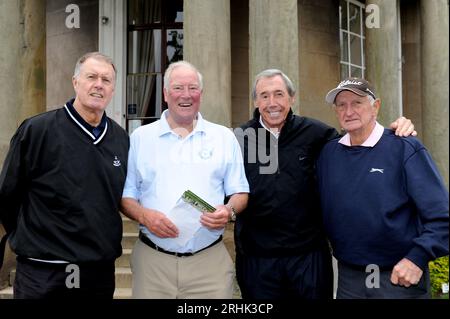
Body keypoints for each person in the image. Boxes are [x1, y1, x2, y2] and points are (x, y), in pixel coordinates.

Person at [234, 69, 416, 299]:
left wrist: (396, 129)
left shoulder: (317, 134)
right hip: (257, 260)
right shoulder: (238, 138)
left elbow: (359, 143)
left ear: (292, 98)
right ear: (255, 101)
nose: (272, 103)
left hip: (308, 258)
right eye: (264, 95)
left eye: (279, 94)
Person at [0, 52, 129, 299]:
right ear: (75, 82)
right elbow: (7, 194)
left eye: (106, 80)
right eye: (91, 77)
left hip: (97, 272)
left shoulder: (121, 139)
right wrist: (30, 238)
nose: (99, 85)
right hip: (42, 272)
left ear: (113, 89)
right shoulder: (37, 130)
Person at [121, 60, 249, 299]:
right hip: (153, 263)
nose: (186, 95)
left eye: (193, 88)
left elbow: (240, 192)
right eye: (178, 88)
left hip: (208, 263)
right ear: (166, 93)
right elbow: (126, 196)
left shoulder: (223, 137)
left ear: (201, 93)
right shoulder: (140, 138)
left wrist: (228, 211)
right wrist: (144, 216)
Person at [316, 77, 449, 299]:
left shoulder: (404, 147)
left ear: (375, 106)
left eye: (357, 103)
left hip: (398, 277)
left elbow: (442, 217)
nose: (349, 111)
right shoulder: (328, 154)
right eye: (342, 105)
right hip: (350, 279)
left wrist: (417, 258)